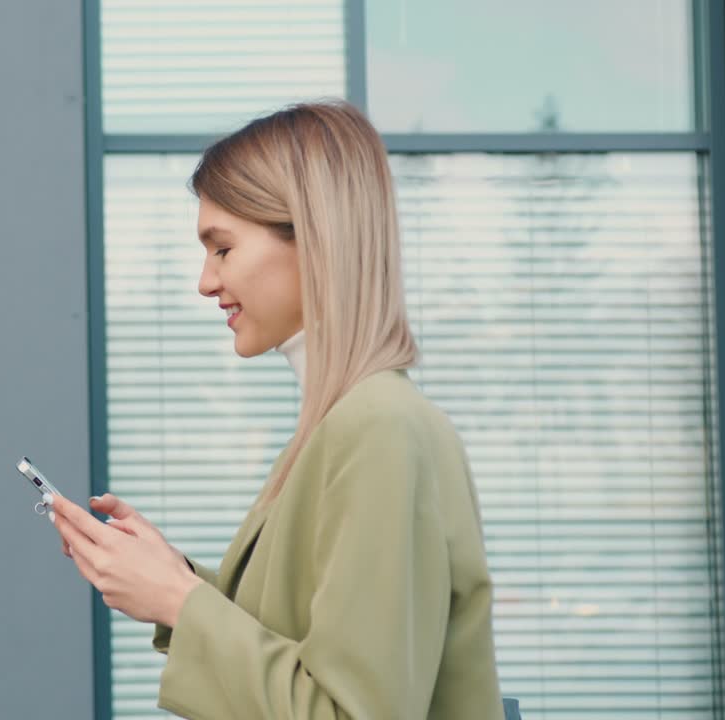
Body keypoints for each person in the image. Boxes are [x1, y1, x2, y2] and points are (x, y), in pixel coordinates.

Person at [48, 99, 504, 719]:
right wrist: (165, 579)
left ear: (311, 238)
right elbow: (300, 649)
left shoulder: (379, 431)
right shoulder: (345, 424)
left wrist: (180, 599)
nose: (205, 283)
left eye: (222, 248)